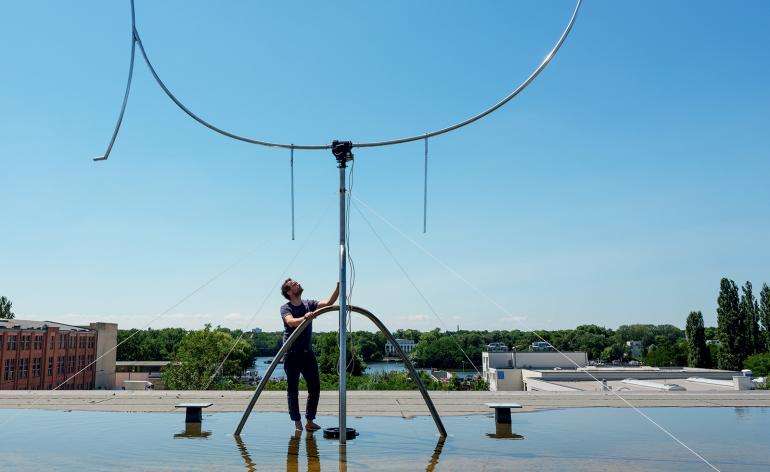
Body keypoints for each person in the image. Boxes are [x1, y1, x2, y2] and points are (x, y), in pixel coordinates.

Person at [280, 278, 339, 432]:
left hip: (307, 353)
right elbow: (291, 322)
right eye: (294, 284)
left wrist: (339, 286)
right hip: (292, 353)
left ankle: (309, 421)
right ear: (288, 292)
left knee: (315, 388)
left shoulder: (308, 304)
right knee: (293, 390)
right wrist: (304, 318)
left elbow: (328, 304)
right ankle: (297, 423)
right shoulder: (285, 307)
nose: (297, 284)